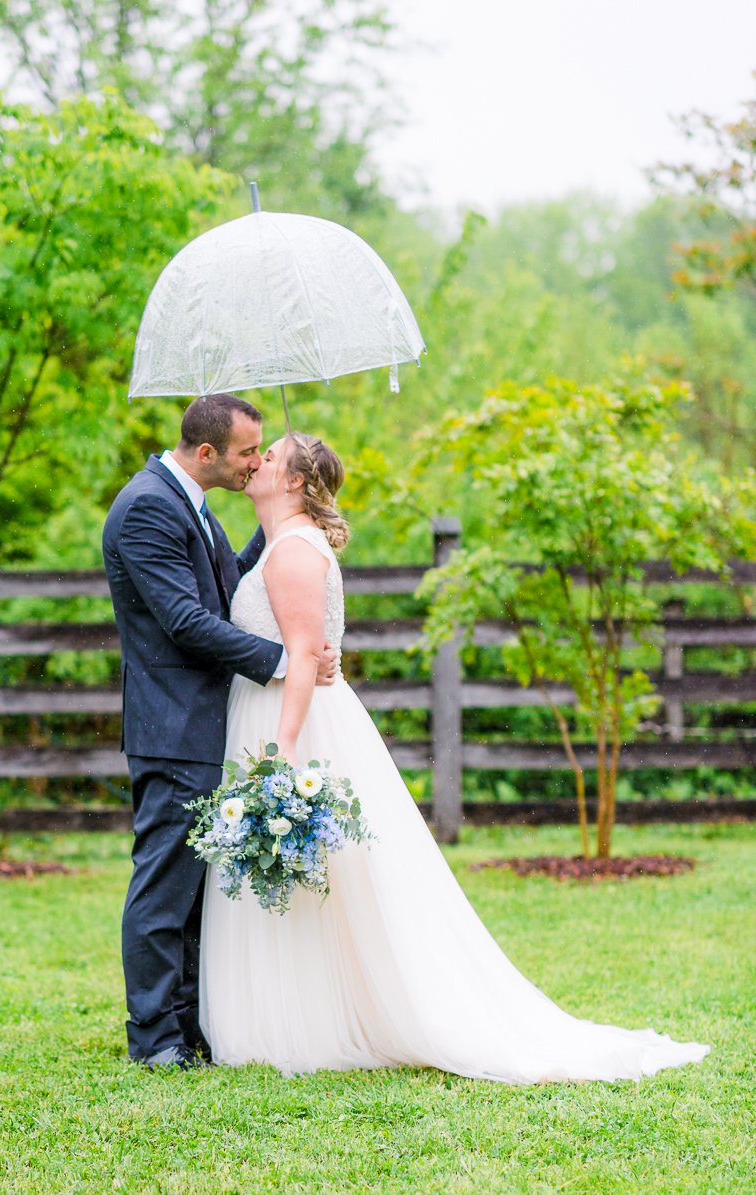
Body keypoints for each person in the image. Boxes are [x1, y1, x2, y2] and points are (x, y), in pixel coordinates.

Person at [199, 431, 710, 1082]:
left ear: (296, 481)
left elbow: (303, 656)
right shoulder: (281, 545)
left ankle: (302, 1022)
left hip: (289, 722)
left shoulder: (294, 553)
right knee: (307, 880)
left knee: (317, 878)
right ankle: (289, 1014)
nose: (256, 461)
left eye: (269, 455)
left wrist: (284, 751)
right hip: (272, 711)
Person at [102, 395, 335, 1069]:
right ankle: (154, 1038)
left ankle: (187, 1027)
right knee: (163, 888)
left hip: (202, 723)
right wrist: (282, 661)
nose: (255, 461)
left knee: (194, 891)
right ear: (207, 453)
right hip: (171, 726)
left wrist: (284, 515)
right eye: (246, 452)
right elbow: (183, 619)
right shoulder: (147, 505)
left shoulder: (191, 504)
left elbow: (227, 584)